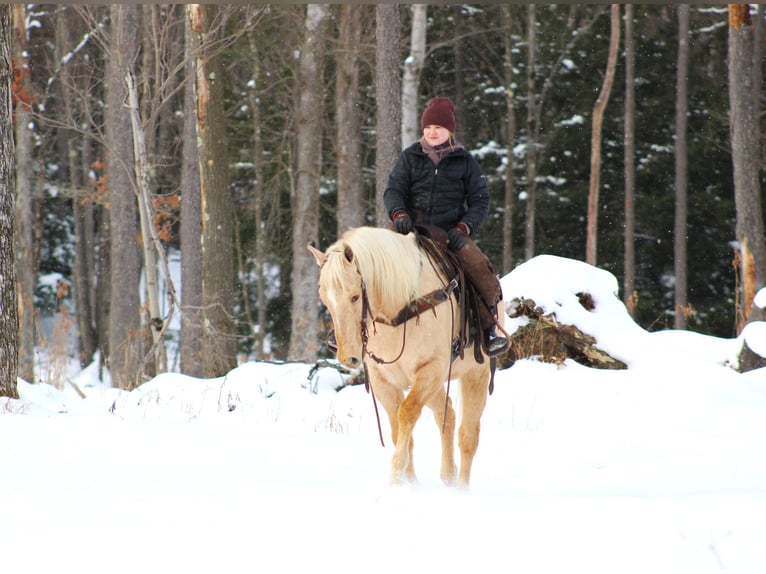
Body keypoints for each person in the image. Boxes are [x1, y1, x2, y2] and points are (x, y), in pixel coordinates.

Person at [384, 97, 508, 356]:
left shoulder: (465, 161)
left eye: (438, 128)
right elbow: (394, 189)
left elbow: (480, 200)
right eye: (428, 128)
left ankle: (487, 331)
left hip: (451, 235)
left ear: (450, 130)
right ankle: (368, 333)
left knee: (480, 269)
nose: (432, 133)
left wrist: (464, 228)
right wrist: (399, 214)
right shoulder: (410, 157)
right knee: (372, 266)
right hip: (411, 231)